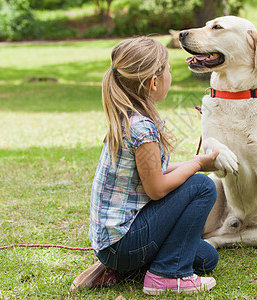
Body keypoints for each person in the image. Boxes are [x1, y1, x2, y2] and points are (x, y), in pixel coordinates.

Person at [71, 37, 220, 295]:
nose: (171, 76)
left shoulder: (128, 118)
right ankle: (166, 276)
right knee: (203, 187)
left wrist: (193, 164)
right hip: (123, 243)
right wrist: (196, 164)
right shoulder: (142, 129)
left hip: (113, 244)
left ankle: (119, 268)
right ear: (154, 82)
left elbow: (152, 173)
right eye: (169, 70)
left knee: (207, 258)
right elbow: (157, 189)